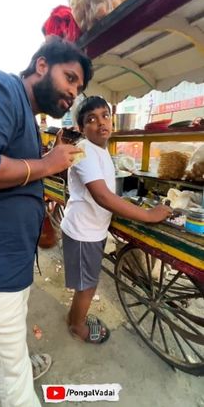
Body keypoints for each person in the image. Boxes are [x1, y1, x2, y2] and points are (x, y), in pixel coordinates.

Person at [0, 35, 92, 407]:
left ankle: (17, 358)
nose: (73, 93)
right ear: (41, 65)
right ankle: (16, 371)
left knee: (10, 343)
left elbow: (14, 176)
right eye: (70, 78)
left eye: (79, 88)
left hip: (9, 268)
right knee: (15, 387)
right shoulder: (0, 87)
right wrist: (47, 164)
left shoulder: (26, 114)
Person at [60, 96, 172, 344]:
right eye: (91, 119)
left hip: (92, 229)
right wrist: (148, 214)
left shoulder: (100, 150)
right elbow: (102, 196)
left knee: (87, 282)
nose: (101, 122)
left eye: (105, 115)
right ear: (80, 128)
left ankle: (74, 318)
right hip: (83, 232)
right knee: (87, 286)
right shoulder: (84, 150)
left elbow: (107, 193)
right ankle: (76, 326)